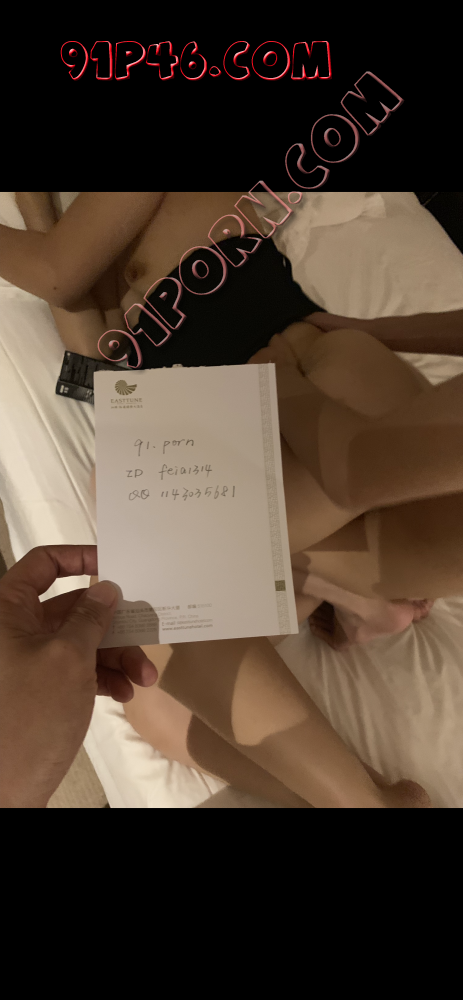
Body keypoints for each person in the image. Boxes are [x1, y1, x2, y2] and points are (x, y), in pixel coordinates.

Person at [2, 189, 459, 808]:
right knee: (147, 694)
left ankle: (355, 616)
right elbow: (95, 360)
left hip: (307, 366)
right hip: (231, 429)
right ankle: (364, 795)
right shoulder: (85, 235)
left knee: (149, 590)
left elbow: (57, 270)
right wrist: (38, 210)